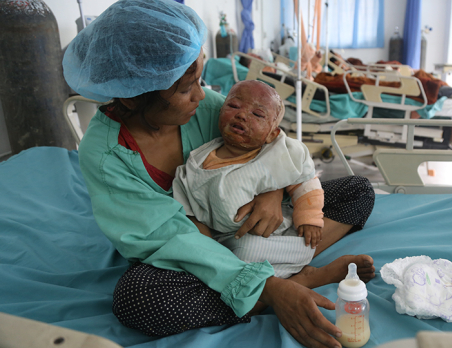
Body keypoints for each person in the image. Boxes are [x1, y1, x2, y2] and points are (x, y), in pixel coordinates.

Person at [63, 0, 375, 347]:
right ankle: (290, 284)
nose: (202, 95)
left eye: (201, 79)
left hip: (250, 228)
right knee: (139, 299)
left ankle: (277, 273)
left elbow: (270, 141)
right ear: (133, 97)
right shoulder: (107, 156)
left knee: (359, 190)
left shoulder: (206, 107)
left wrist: (272, 191)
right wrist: (267, 287)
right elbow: (170, 238)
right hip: (190, 249)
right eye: (185, 89)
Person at [173, 80, 375, 284]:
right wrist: (212, 255)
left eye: (258, 115)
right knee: (223, 264)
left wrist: (309, 218)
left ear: (272, 134)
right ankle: (296, 280)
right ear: (220, 111)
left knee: (358, 189)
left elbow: (305, 182)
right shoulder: (195, 164)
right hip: (225, 240)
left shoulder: (281, 153)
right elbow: (190, 214)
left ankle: (289, 272)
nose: (242, 114)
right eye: (233, 106)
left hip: (278, 233)